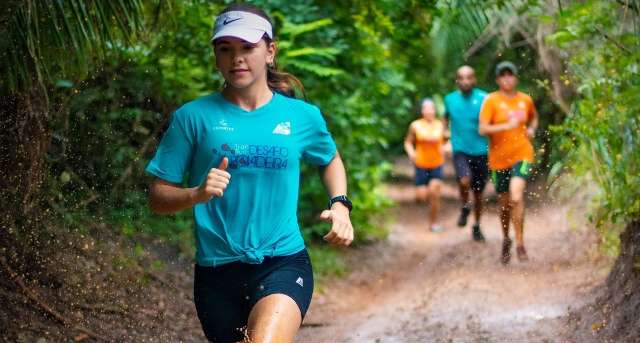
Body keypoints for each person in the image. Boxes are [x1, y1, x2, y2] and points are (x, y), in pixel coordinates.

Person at [145, 4, 354, 342]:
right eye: (225, 49)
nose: (236, 58)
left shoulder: (301, 116)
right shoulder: (192, 118)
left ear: (270, 52)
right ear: (216, 58)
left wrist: (341, 204)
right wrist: (195, 194)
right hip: (216, 273)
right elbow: (157, 197)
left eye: (247, 47)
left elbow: (329, 158)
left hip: (282, 261)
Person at [479, 61, 538, 265]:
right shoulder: (491, 101)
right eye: (502, 75)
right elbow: (483, 129)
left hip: (522, 154)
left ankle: (520, 243)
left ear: (516, 78)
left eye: (510, 75)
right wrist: (505, 125)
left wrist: (531, 129)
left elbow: (533, 119)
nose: (507, 79)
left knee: (516, 195)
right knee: (504, 205)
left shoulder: (525, 100)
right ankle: (506, 238)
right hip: (498, 160)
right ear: (497, 80)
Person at [444, 65, 489, 242]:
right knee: (464, 180)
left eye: (469, 77)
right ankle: (464, 205)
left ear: (474, 79)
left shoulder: (484, 98)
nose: (465, 81)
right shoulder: (450, 99)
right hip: (460, 149)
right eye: (461, 78)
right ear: (457, 81)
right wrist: (445, 137)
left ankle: (477, 225)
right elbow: (445, 120)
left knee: (478, 194)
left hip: (481, 151)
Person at [404, 98, 446, 233]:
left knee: (434, 192)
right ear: (422, 111)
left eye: (431, 108)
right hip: (421, 164)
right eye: (425, 108)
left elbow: (449, 140)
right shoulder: (415, 125)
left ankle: (433, 223)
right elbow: (408, 142)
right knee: (421, 197)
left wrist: (447, 147)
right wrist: (411, 152)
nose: (428, 111)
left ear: (434, 110)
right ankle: (425, 195)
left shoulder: (440, 125)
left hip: (436, 164)